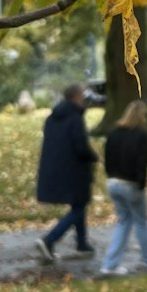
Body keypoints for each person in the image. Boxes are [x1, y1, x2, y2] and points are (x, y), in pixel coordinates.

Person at [99, 99, 147, 276]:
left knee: (123, 222)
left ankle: (109, 265)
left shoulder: (113, 133)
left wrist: (111, 175)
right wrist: (142, 184)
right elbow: (142, 162)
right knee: (141, 223)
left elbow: (106, 157)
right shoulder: (142, 135)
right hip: (131, 184)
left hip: (113, 182)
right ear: (142, 116)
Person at [35, 83, 99, 263]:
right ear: (76, 98)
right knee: (79, 207)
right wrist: (94, 157)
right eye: (83, 96)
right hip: (75, 169)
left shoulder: (53, 118)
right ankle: (49, 240)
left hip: (56, 168)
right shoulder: (75, 119)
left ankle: (82, 243)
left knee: (78, 204)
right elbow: (81, 147)